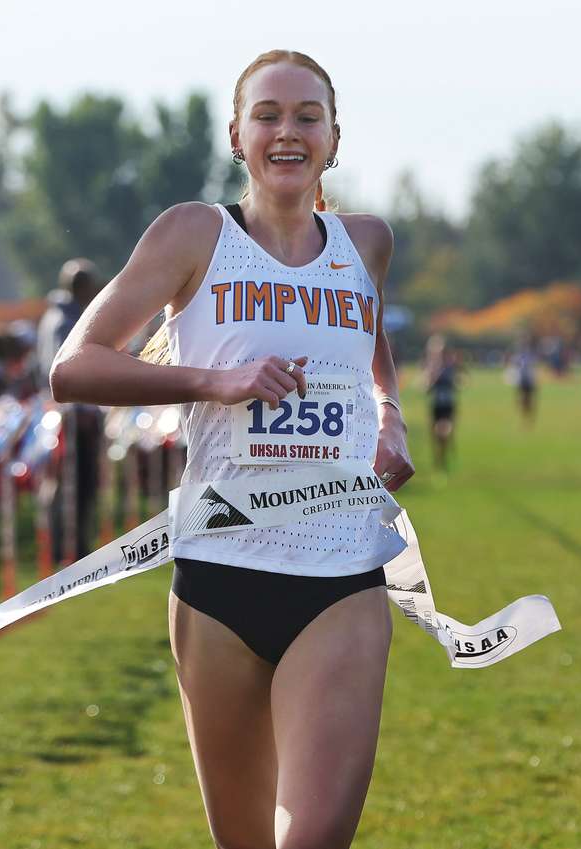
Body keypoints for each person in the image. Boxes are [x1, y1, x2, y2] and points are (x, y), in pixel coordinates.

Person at [51, 50, 413, 849]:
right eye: (268, 115)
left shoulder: (367, 242)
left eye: (308, 116)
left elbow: (369, 341)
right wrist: (217, 382)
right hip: (219, 575)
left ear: (334, 138)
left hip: (342, 571)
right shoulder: (194, 233)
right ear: (236, 136)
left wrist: (391, 413)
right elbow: (73, 368)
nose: (288, 131)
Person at [38, 259, 105, 565]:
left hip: (68, 412)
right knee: (74, 483)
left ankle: (69, 543)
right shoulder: (65, 320)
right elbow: (66, 370)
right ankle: (69, 546)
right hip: (74, 414)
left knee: (72, 482)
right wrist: (81, 408)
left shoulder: (57, 316)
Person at [424, 334, 459, 474]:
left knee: (444, 430)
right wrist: (432, 378)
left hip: (448, 403)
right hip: (435, 404)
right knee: (435, 435)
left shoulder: (450, 366)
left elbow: (458, 382)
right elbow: (426, 388)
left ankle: (443, 455)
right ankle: (439, 458)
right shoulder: (431, 367)